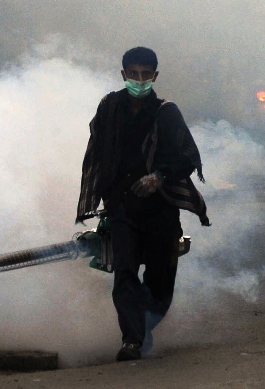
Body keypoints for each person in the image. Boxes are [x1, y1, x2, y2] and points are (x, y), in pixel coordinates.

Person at [76, 46, 210, 362]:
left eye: (145, 74)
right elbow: (95, 151)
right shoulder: (109, 107)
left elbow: (187, 157)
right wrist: (100, 195)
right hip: (122, 208)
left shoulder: (167, 112)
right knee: (124, 273)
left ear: (155, 76)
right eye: (133, 74)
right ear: (124, 75)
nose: (139, 80)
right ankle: (131, 341)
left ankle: (144, 326)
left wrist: (159, 177)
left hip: (160, 210)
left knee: (160, 280)